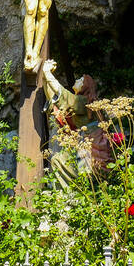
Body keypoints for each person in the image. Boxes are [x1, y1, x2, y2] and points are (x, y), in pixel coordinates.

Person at [41, 59, 112, 191]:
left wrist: (47, 73)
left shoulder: (84, 102)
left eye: (81, 79)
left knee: (61, 161)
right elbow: (55, 99)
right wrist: (45, 79)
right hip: (85, 147)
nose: (77, 80)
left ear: (86, 86)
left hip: (90, 151)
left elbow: (65, 96)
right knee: (62, 162)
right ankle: (74, 197)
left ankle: (70, 198)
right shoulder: (82, 102)